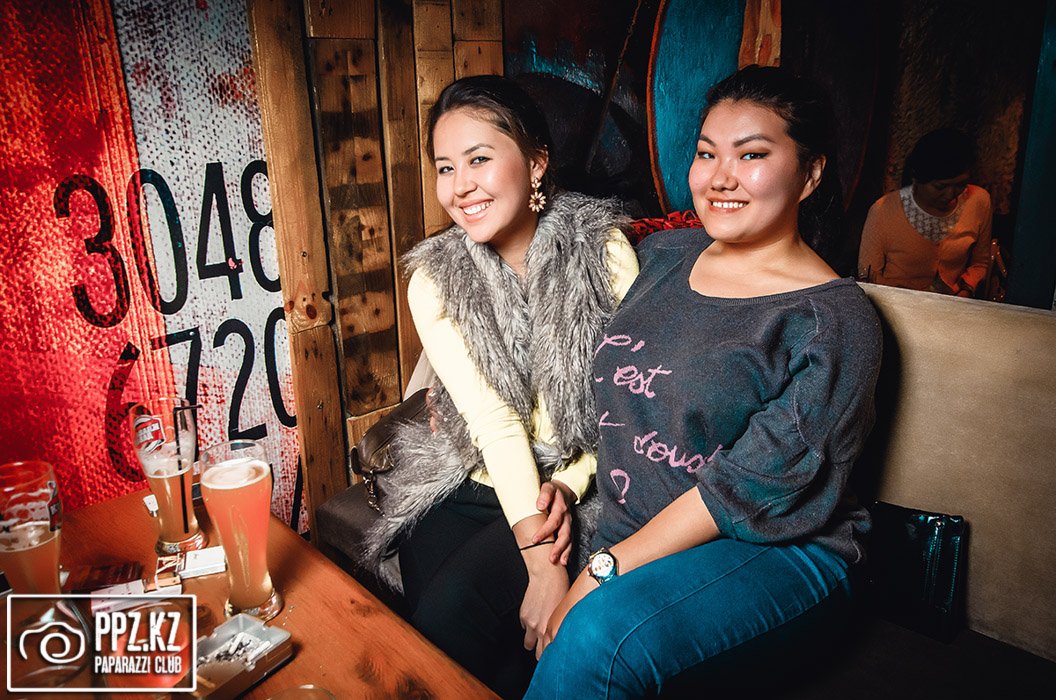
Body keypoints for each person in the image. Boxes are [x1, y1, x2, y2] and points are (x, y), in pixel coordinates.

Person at [527, 65, 882, 698]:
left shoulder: (831, 319)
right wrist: (565, 478)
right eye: (706, 152)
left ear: (811, 174)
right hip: (636, 526)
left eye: (752, 155)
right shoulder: (663, 256)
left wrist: (601, 571)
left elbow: (745, 490)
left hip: (779, 546)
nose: (720, 177)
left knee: (598, 638)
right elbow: (605, 384)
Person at [352, 75, 639, 697]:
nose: (460, 187)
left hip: (582, 488)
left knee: (449, 622)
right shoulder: (435, 279)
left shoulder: (604, 253)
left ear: (535, 162)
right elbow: (494, 421)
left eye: (479, 159)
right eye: (445, 167)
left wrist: (569, 487)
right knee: (441, 633)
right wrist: (542, 565)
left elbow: (629, 405)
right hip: (474, 474)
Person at [858, 128, 993, 296]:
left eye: (960, 185)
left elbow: (980, 264)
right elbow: (868, 276)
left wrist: (966, 289)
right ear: (917, 178)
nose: (950, 195)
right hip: (897, 302)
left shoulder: (979, 201)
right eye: (940, 187)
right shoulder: (883, 211)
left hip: (953, 303)